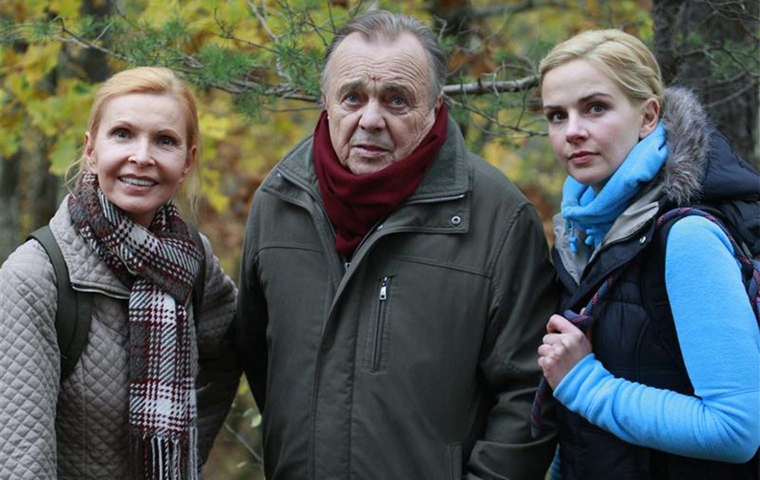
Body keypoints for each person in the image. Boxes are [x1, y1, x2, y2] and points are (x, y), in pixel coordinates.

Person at [235, 10, 558, 480]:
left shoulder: (498, 218)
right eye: (353, 97)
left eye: (396, 100)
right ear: (327, 101)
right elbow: (259, 359)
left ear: (434, 106)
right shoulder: (280, 200)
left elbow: (528, 393)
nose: (371, 119)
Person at [535, 29, 760, 480]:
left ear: (648, 117)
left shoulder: (686, 238)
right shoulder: (584, 232)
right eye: (557, 116)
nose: (573, 131)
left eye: (595, 108)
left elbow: (736, 429)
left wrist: (584, 385)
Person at [0, 67, 240, 479]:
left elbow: (233, 349)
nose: (142, 156)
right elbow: (22, 463)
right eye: (123, 134)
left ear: (187, 162)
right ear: (91, 150)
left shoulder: (192, 262)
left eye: (165, 141)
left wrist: (184, 452)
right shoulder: (35, 277)